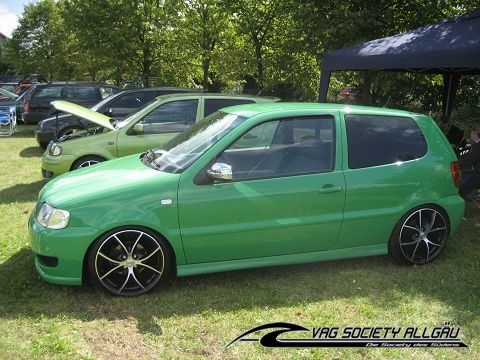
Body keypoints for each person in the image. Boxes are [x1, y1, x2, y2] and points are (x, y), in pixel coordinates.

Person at [458, 122, 480, 201]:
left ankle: (469, 196)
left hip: (478, 174)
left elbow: (470, 159)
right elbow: (468, 156)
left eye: (471, 132)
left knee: (461, 186)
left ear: (474, 133)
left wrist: (457, 162)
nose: (471, 135)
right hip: (476, 171)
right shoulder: (476, 144)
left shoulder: (478, 145)